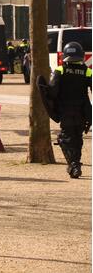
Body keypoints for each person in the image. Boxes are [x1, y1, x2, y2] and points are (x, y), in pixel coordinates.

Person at [49, 41, 92, 178]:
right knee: (77, 138)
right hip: (82, 112)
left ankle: (74, 165)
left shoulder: (60, 70)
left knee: (65, 138)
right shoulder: (87, 71)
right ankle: (75, 164)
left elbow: (52, 92)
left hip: (65, 110)